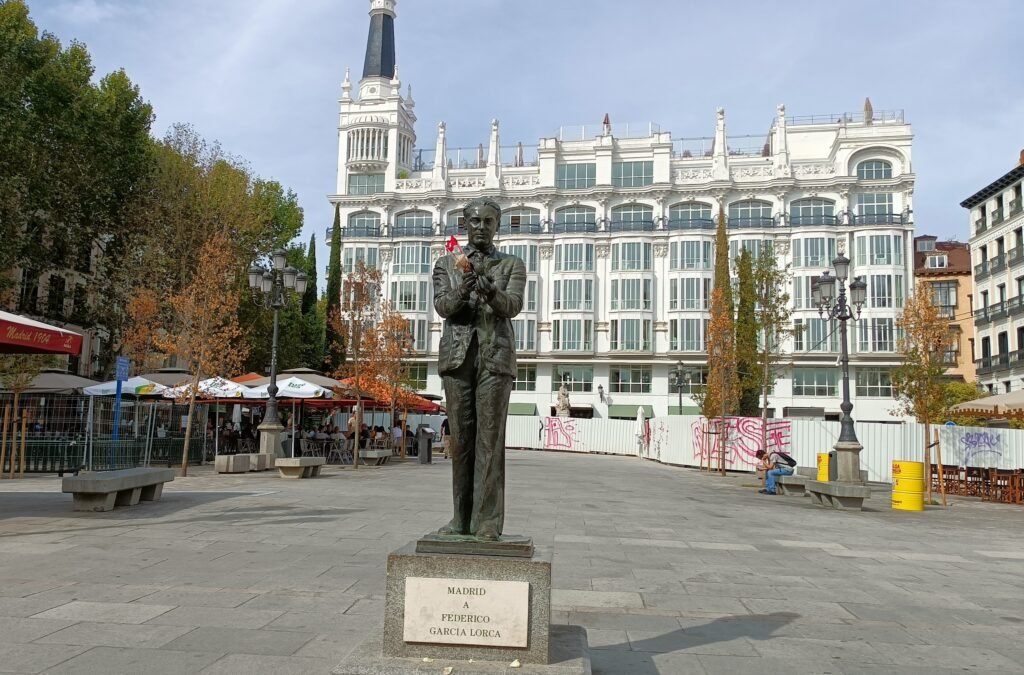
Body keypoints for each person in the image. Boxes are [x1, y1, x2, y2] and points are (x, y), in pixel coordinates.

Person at [433, 197, 526, 541]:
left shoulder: (512, 264)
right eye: (475, 221)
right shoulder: (447, 264)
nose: (481, 227)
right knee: (461, 442)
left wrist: (489, 292)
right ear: (465, 224)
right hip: (457, 359)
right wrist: (463, 291)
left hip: (495, 360)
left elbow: (512, 306)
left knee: (490, 440)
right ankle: (460, 518)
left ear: (497, 225)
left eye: (488, 221)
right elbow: (444, 307)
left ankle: (486, 522)